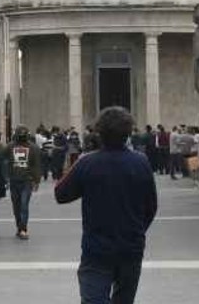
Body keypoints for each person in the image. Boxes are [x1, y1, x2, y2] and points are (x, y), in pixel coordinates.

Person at [55, 107, 158, 304]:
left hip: (97, 249)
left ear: (99, 133)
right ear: (128, 133)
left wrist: (73, 166)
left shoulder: (88, 163)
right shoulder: (141, 162)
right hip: (131, 247)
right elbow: (151, 206)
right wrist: (136, 230)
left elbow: (61, 194)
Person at [6, 125, 43, 239]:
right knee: (16, 206)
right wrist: (6, 177)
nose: (22, 138)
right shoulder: (10, 147)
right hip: (14, 181)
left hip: (27, 181)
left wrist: (36, 181)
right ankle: (19, 226)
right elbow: (3, 160)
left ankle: (23, 229)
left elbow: (36, 165)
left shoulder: (34, 148)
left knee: (23, 205)